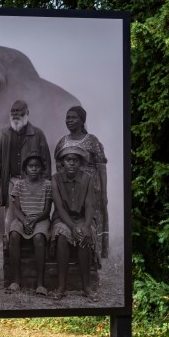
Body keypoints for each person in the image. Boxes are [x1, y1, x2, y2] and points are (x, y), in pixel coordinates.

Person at [0, 100, 51, 235]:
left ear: (27, 113)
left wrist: (46, 188)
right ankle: (11, 252)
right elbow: (2, 163)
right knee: (10, 221)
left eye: (19, 111)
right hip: (12, 183)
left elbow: (46, 164)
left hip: (34, 185)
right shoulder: (5, 134)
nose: (16, 114)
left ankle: (35, 251)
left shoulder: (38, 134)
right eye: (13, 112)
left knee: (33, 219)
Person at [54, 105, 108, 261]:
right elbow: (59, 168)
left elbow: (101, 167)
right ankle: (72, 255)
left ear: (82, 120)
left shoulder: (92, 141)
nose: (69, 120)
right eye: (67, 117)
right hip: (70, 190)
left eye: (73, 117)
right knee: (72, 219)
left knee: (91, 220)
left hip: (92, 188)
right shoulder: (62, 142)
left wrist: (103, 193)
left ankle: (93, 258)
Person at [51, 145, 98, 302]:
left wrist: (85, 227)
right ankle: (61, 287)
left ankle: (86, 287)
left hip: (83, 218)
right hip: (63, 218)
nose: (71, 163)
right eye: (68, 160)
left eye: (75, 160)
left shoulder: (87, 178)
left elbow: (90, 205)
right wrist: (72, 226)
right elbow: (59, 207)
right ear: (63, 162)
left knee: (84, 237)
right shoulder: (55, 179)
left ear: (80, 163)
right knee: (63, 237)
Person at [6, 152, 53, 296]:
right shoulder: (19, 184)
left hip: (40, 219)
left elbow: (46, 211)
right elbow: (16, 209)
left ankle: (40, 284)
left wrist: (35, 220)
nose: (34, 169)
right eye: (31, 166)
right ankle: (16, 281)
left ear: (42, 169)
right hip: (22, 218)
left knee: (39, 237)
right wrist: (25, 220)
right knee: (14, 235)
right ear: (25, 169)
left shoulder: (47, 185)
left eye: (37, 166)